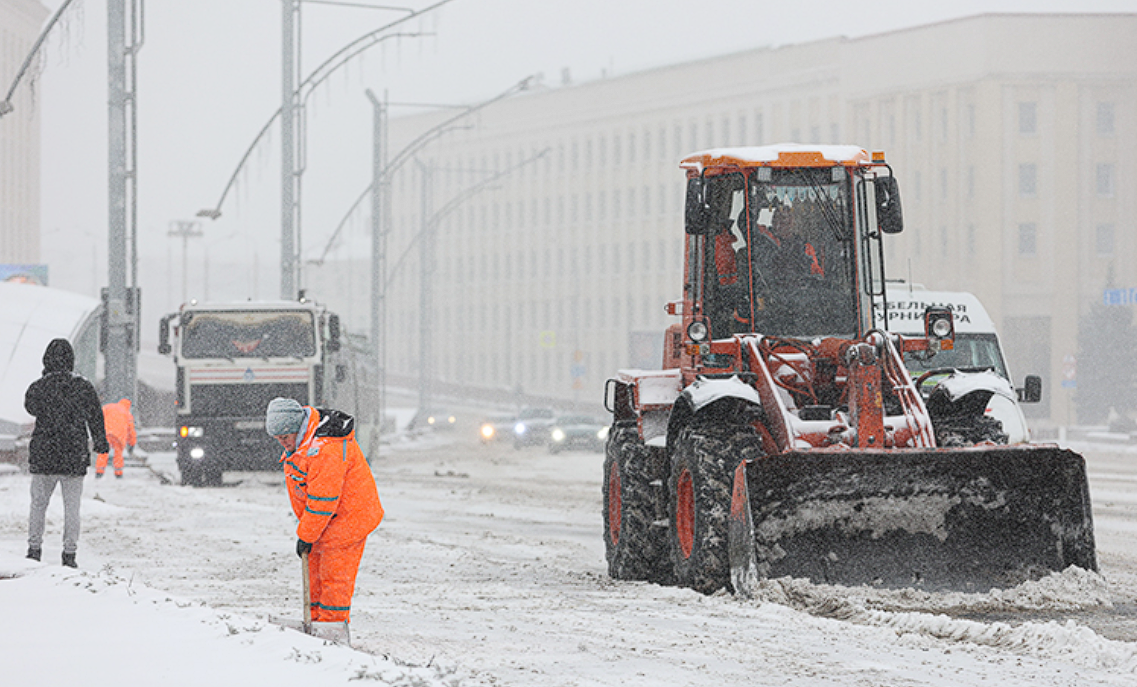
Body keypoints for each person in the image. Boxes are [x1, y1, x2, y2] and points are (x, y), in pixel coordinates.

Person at [265, 397, 383, 644]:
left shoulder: (324, 449)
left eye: (285, 437)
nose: (282, 443)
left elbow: (323, 501)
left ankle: (332, 635)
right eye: (278, 439)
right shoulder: (301, 443)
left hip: (348, 521)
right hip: (325, 523)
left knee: (334, 582)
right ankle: (316, 631)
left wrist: (305, 536)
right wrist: (309, 533)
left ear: (297, 429)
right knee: (315, 579)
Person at [24, 338, 109, 568]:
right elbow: (95, 416)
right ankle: (69, 554)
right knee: (72, 508)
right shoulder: (83, 387)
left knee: (38, 505)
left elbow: (30, 406)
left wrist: (47, 381)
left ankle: (34, 550)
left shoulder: (39, 387)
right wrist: (100, 441)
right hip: (73, 455)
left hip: (44, 455)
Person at [96, 398, 137, 479]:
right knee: (118, 454)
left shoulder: (108, 407)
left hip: (106, 432)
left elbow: (98, 416)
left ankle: (99, 471)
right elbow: (131, 431)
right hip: (119, 436)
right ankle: (118, 472)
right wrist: (132, 444)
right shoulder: (127, 414)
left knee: (103, 452)